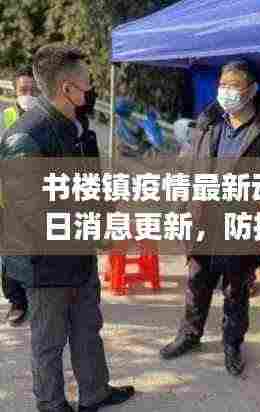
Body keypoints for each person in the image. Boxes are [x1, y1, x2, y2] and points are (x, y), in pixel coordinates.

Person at [0, 45, 135, 412]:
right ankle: (51, 404)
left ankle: (95, 393)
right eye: (87, 83)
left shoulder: (77, 127)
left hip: (78, 252)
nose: (91, 89)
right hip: (44, 260)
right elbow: (33, 214)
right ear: (67, 89)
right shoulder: (25, 138)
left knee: (87, 327)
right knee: (49, 340)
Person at [160, 59, 260, 376]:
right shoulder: (208, 123)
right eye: (222, 85)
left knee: (236, 290)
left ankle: (232, 344)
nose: (226, 92)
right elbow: (186, 166)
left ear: (251, 89)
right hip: (203, 219)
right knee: (196, 282)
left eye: (234, 85)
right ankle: (189, 335)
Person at [1, 65, 39, 326]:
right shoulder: (5, 118)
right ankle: (16, 302)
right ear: (15, 91)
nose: (28, 94)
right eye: (23, 89)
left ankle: (37, 298)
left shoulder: (46, 118)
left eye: (32, 90)